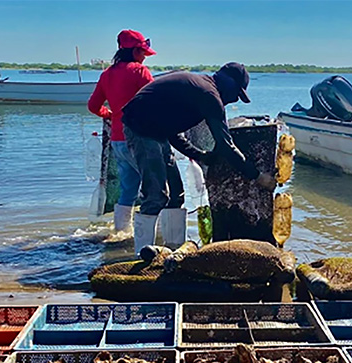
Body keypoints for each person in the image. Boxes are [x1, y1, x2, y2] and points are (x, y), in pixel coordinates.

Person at [122, 62, 276, 254]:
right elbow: (226, 146)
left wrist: (200, 156)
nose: (235, 99)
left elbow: (172, 132)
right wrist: (258, 176)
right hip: (141, 129)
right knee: (155, 195)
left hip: (156, 130)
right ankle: (141, 255)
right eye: (237, 93)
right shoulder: (209, 95)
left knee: (176, 194)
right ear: (229, 84)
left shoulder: (202, 87)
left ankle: (174, 250)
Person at [87, 29, 156, 233]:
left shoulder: (107, 74)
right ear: (135, 51)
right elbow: (155, 100)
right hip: (140, 140)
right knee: (155, 189)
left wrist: (109, 114)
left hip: (117, 140)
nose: (145, 57)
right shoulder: (140, 72)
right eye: (143, 52)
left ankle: (121, 233)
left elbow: (93, 106)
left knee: (128, 190)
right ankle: (150, 237)